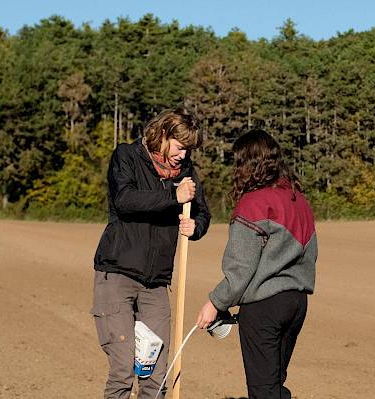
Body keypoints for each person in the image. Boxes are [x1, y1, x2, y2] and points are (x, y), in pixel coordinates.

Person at [91, 106, 210, 399]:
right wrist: (173, 195)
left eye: (189, 149)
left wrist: (195, 226)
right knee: (122, 372)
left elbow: (203, 213)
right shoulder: (127, 156)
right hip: (117, 275)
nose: (184, 155)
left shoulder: (187, 173)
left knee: (156, 378)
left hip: (156, 284)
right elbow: (124, 200)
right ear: (164, 135)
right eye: (181, 147)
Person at [196, 129, 317, 399]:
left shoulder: (253, 204)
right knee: (274, 384)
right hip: (297, 304)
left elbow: (241, 268)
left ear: (248, 164)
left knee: (263, 392)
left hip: (264, 309)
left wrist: (215, 303)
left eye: (239, 162)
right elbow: (311, 254)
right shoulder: (298, 199)